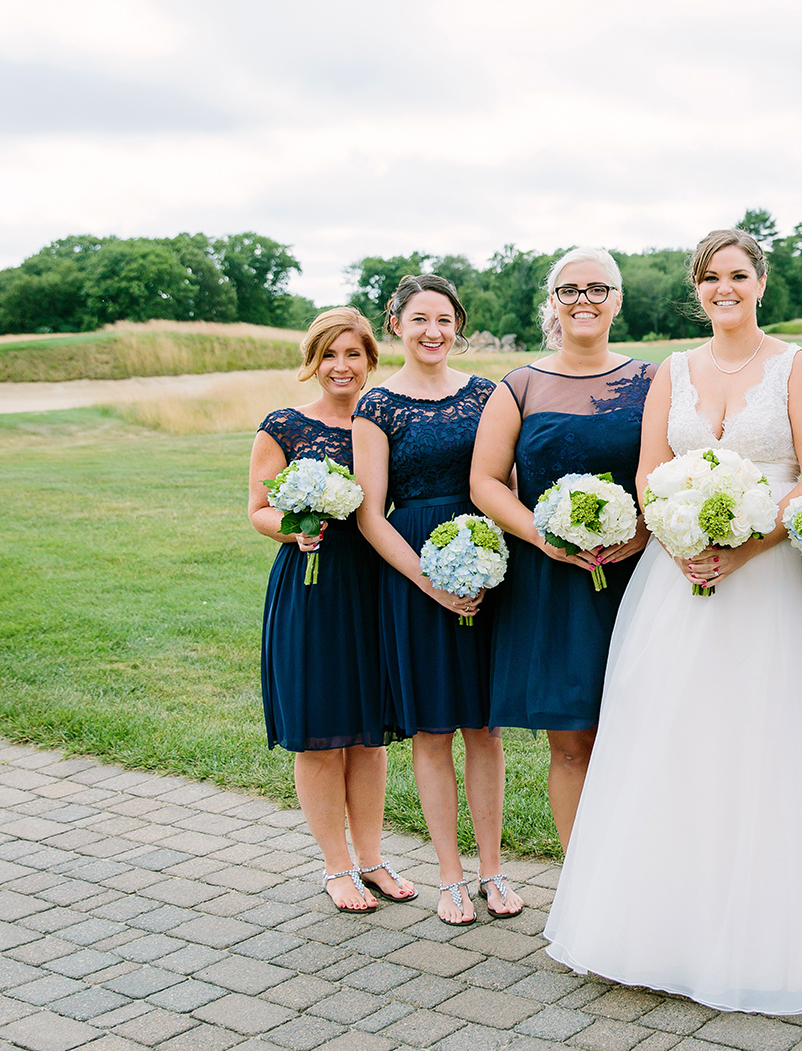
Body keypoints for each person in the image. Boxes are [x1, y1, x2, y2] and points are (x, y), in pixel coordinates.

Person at [543, 228, 802, 1015]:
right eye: (710, 277)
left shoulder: (796, 366)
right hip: (677, 580)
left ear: (760, 282)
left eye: (738, 274)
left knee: (772, 739)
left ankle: (782, 917)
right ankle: (669, 917)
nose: (724, 288)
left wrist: (746, 545)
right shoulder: (673, 370)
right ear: (697, 289)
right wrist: (678, 534)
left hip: (770, 581)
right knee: (678, 737)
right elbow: (648, 471)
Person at [471, 247, 655, 849]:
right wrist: (540, 536)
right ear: (553, 302)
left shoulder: (654, 381)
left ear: (617, 300)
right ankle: (582, 879)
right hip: (550, 584)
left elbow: (673, 468)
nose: (584, 300)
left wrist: (644, 533)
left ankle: (640, 870)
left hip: (637, 578)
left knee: (642, 733)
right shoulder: (520, 386)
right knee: (572, 742)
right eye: (570, 290)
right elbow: (485, 482)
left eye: (597, 289)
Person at [352, 274, 522, 926]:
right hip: (414, 577)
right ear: (396, 323)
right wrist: (430, 583)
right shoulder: (377, 406)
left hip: (485, 568)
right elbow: (371, 513)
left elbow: (506, 484)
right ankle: (449, 875)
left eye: (444, 320)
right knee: (431, 730)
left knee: (485, 728)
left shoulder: (487, 394)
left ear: (458, 327)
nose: (433, 331)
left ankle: (491, 870)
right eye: (420, 319)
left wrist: (491, 564)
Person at [249, 307, 415, 913]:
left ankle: (371, 859)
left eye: (352, 354)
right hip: (312, 586)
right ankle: (336, 866)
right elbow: (258, 509)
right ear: (312, 362)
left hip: (372, 582)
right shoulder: (284, 426)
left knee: (368, 735)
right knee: (320, 733)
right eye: (328, 355)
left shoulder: (387, 419)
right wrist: (294, 527)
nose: (340, 367)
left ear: (371, 359)